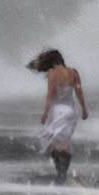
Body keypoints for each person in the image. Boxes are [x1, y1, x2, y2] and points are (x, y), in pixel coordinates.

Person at [28, 48, 88, 182]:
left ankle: (60, 169)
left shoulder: (53, 74)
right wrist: (84, 109)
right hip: (70, 111)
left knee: (54, 142)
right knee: (65, 142)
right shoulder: (73, 73)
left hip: (57, 111)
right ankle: (63, 169)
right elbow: (79, 92)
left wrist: (45, 113)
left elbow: (50, 95)